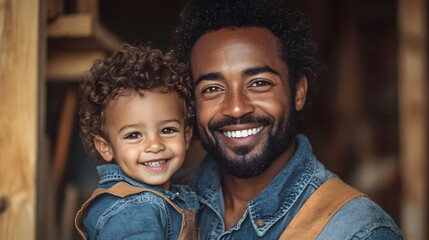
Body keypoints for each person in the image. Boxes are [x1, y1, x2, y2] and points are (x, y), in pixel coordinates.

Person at [172, 0, 404, 239]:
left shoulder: (357, 231)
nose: (236, 108)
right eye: (212, 88)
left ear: (298, 92)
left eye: (259, 83)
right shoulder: (163, 203)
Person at [74, 43, 198, 240]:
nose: (155, 145)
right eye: (134, 135)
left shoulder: (170, 193)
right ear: (105, 147)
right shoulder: (135, 209)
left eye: (167, 130)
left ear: (187, 136)